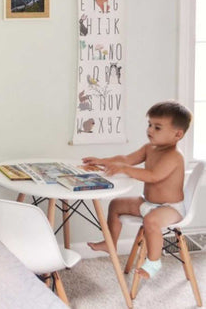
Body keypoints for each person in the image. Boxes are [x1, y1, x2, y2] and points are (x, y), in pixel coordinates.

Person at [82, 100, 192, 279]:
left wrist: (125, 170)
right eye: (150, 125)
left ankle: (153, 262)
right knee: (116, 204)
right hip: (147, 202)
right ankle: (110, 243)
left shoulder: (174, 156)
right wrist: (103, 161)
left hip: (170, 208)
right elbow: (126, 159)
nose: (150, 130)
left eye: (157, 127)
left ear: (177, 134)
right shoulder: (150, 148)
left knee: (151, 221)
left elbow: (153, 175)